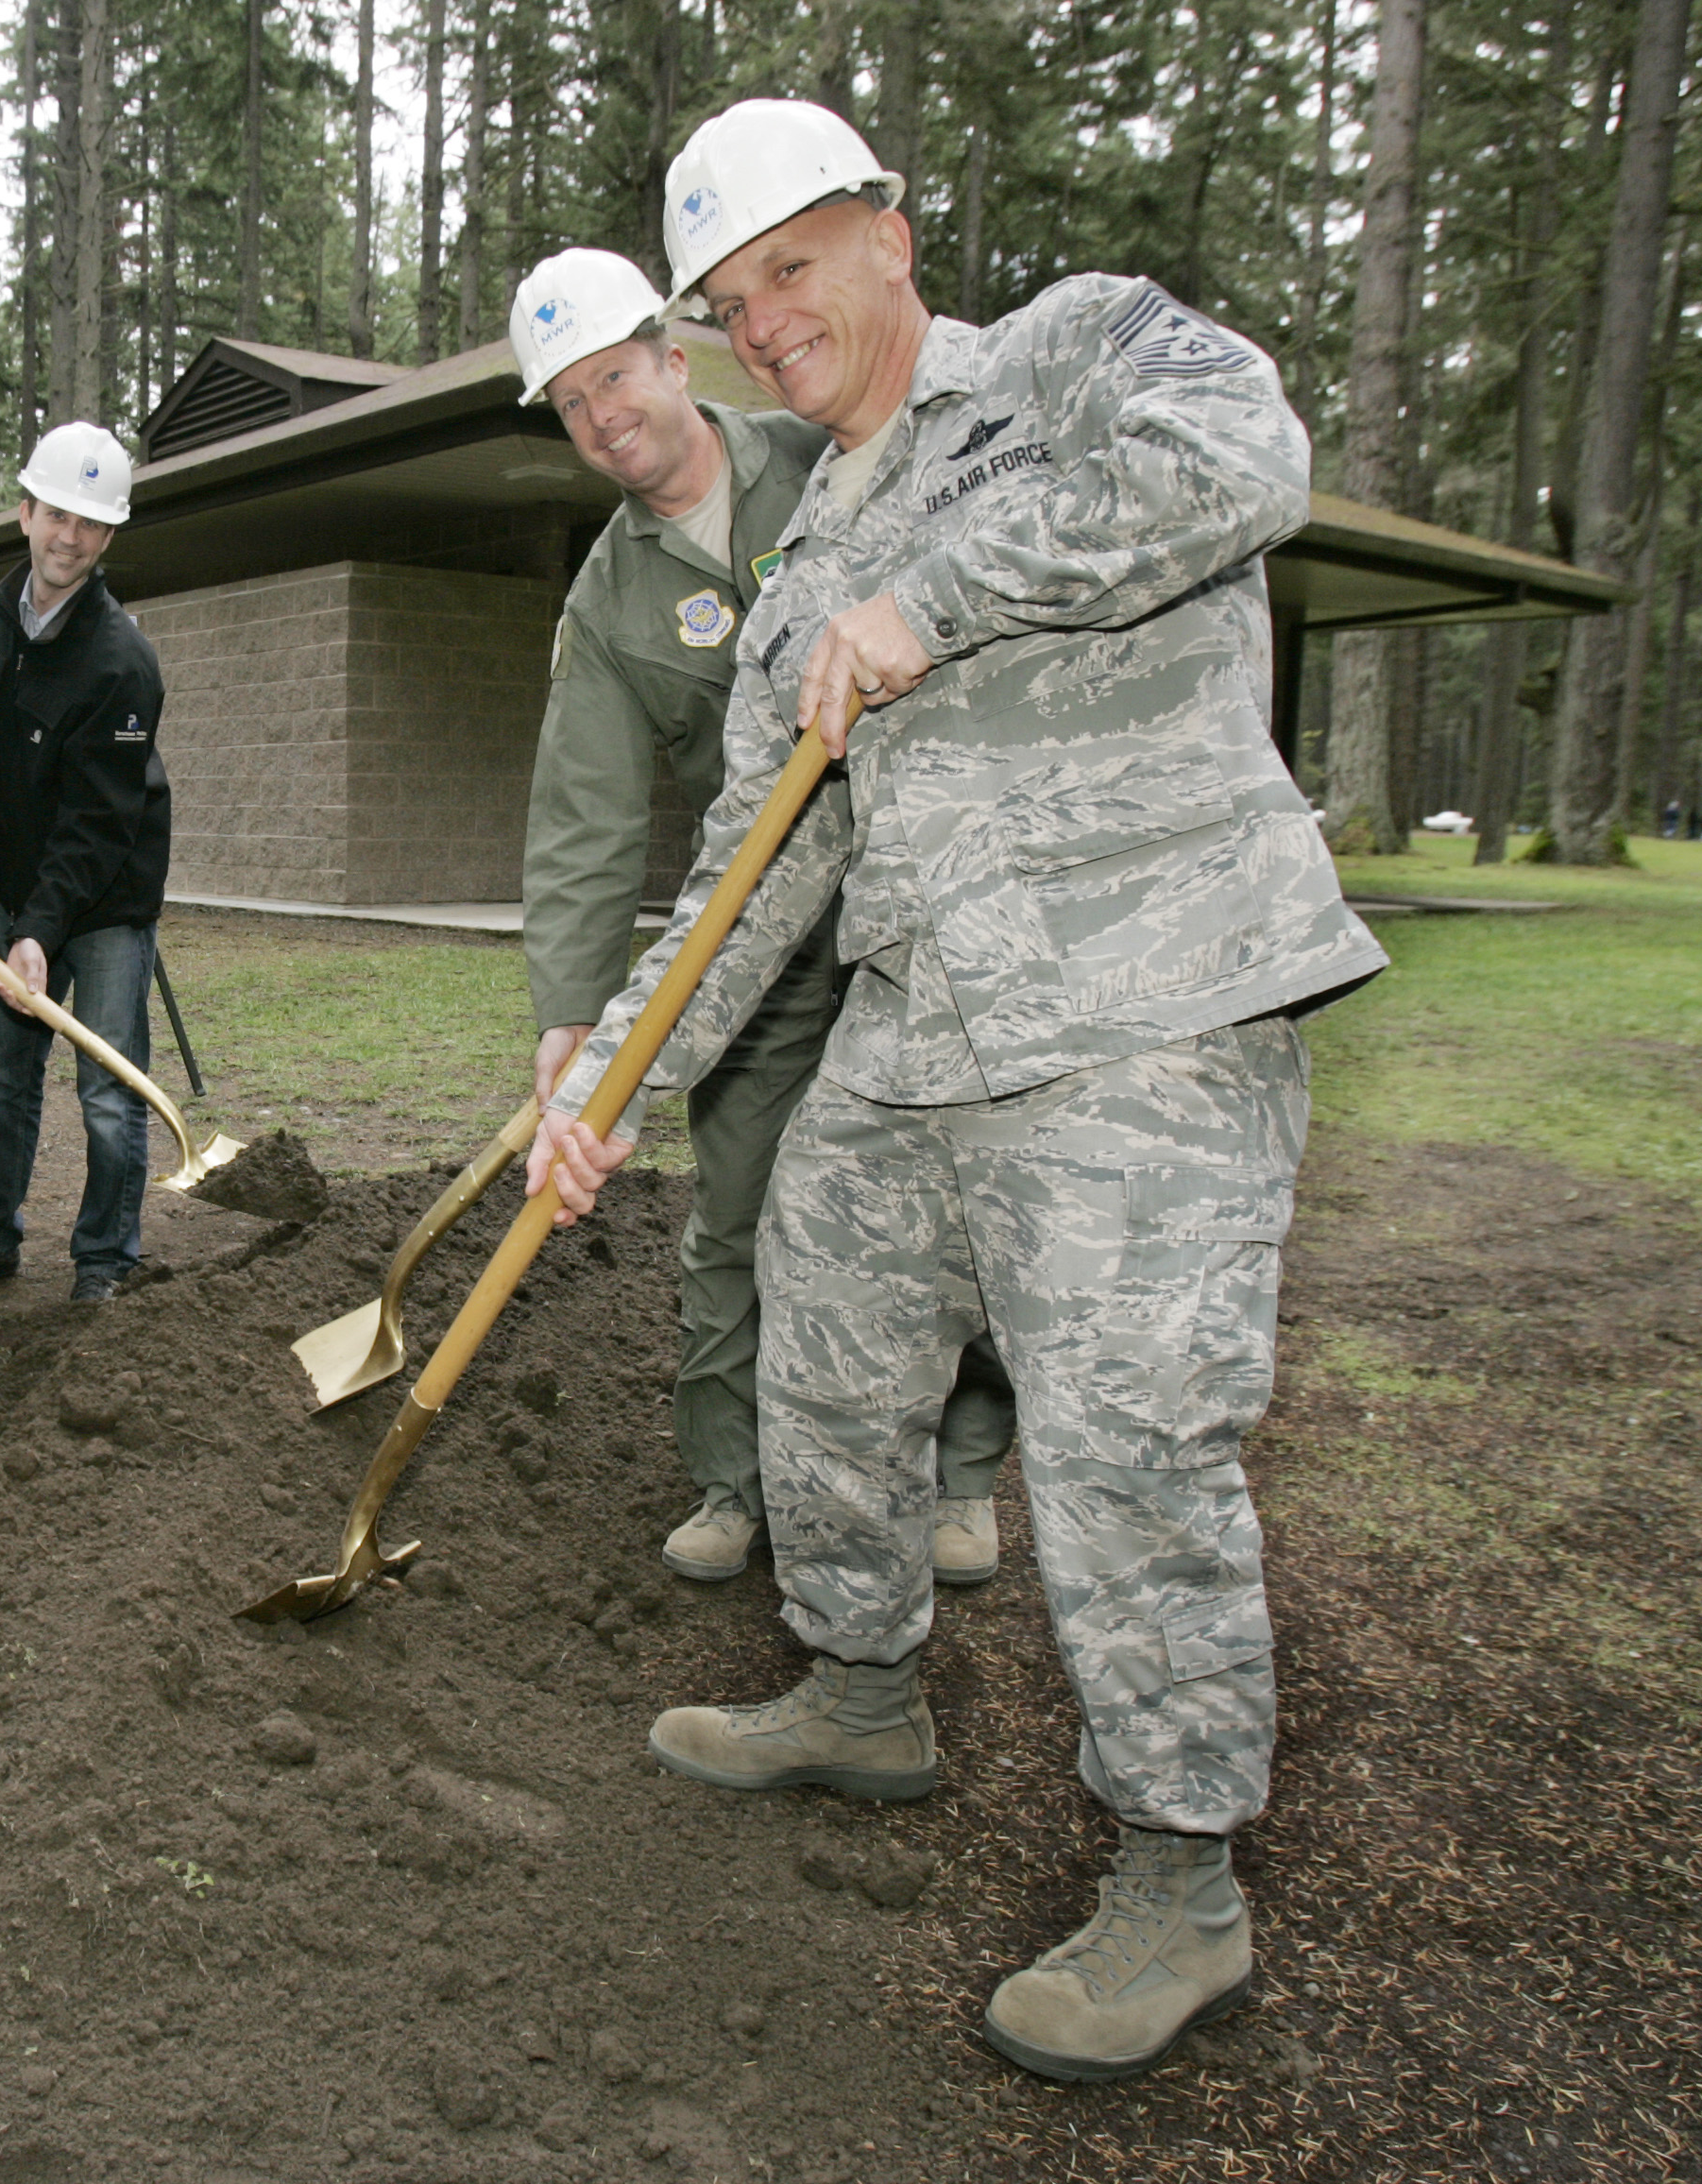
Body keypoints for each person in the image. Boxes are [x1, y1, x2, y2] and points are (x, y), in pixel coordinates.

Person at [528, 98, 1387, 2080]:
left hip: (1148, 1002)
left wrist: (944, 595)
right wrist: (615, 1074)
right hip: (922, 1037)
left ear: (893, 237)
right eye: (735, 304)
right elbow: (753, 863)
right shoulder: (802, 557)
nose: (770, 324)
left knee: (1122, 1444)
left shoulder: (1077, 358)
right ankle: (858, 1687)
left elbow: (1246, 456)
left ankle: (1180, 1884)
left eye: (794, 271)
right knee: (818, 1337)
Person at [511, 247, 1016, 1589]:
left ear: (678, 360)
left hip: (925, 923)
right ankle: (735, 1480)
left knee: (949, 1206)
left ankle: (960, 1481)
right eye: (569, 401)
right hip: (764, 949)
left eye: (615, 374)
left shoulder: (836, 451)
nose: (603, 412)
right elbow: (585, 816)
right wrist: (574, 1015)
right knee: (736, 1213)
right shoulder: (610, 604)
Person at [0, 421, 169, 1307]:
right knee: (5, 1078)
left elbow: (100, 824)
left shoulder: (121, 663)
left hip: (101, 903)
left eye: (91, 523)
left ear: (108, 537)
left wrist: (37, 931)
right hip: (26, 892)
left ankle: (106, 1258)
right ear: (25, 512)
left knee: (106, 1087)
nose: (70, 536)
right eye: (57, 513)